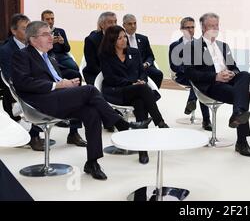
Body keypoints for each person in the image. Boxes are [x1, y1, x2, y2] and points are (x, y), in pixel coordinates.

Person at [11, 21, 151, 180]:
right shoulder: (22, 55)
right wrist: (57, 85)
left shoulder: (49, 56)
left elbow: (55, 78)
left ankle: (92, 162)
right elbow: (23, 82)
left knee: (91, 113)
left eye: (51, 33)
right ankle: (122, 124)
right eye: (46, 34)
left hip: (56, 98)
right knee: (90, 90)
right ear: (33, 39)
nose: (52, 37)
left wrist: (67, 84)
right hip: (39, 103)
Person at [0, 14, 86, 150]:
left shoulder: (39, 44)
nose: (28, 31)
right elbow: (10, 77)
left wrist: (62, 80)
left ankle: (73, 132)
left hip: (45, 83)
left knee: (74, 78)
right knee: (58, 91)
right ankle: (34, 135)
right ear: (13, 31)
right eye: (24, 28)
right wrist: (53, 84)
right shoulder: (6, 50)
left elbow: (50, 67)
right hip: (25, 88)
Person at [185, 13, 250, 157]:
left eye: (217, 25)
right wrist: (216, 76)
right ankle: (241, 141)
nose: (215, 28)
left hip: (228, 80)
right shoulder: (192, 46)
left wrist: (232, 74)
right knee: (243, 95)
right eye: (212, 25)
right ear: (203, 27)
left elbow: (234, 67)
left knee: (244, 75)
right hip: (211, 85)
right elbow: (190, 73)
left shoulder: (223, 46)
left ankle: (237, 114)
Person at [99, 25, 169, 164]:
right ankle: (160, 122)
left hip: (135, 91)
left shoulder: (134, 52)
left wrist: (141, 80)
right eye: (119, 38)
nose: (124, 40)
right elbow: (110, 78)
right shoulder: (105, 55)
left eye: (124, 36)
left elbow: (142, 72)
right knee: (142, 90)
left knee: (140, 102)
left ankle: (143, 152)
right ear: (112, 40)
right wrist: (132, 83)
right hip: (116, 91)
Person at [169, 17, 211, 130]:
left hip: (196, 77)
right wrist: (189, 70)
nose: (190, 30)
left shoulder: (201, 44)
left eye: (192, 27)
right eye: (188, 27)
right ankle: (206, 120)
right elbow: (174, 66)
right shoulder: (174, 46)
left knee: (198, 82)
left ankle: (192, 101)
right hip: (182, 76)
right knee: (199, 83)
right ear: (182, 29)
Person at [123, 14, 163, 89]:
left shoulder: (143, 38)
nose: (133, 26)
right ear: (124, 25)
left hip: (144, 67)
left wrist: (147, 64)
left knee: (158, 74)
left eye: (135, 23)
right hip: (129, 68)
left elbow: (150, 56)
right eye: (130, 24)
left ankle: (153, 93)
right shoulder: (121, 39)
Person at [83, 12, 117, 85]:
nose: (114, 25)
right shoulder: (91, 40)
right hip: (97, 74)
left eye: (115, 22)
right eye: (110, 22)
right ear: (102, 25)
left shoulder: (121, 38)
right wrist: (110, 75)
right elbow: (92, 65)